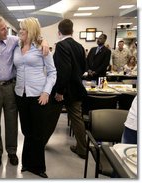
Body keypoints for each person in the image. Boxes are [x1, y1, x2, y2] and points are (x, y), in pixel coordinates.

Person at [0, 16, 49, 167]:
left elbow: (32, 35)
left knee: (12, 121)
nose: (7, 30)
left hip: (11, 87)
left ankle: (12, 152)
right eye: (3, 28)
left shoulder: (13, 41)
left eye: (6, 27)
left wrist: (43, 41)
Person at [13, 17, 57, 178]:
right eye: (20, 29)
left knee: (38, 132)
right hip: (20, 94)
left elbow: (52, 73)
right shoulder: (16, 46)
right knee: (26, 130)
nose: (20, 31)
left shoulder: (42, 48)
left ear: (31, 30)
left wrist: (46, 92)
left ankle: (38, 167)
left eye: (23, 29)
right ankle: (26, 163)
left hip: (38, 95)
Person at [52, 19, 87, 159]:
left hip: (64, 90)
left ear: (59, 32)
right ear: (72, 31)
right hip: (77, 88)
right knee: (77, 119)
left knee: (49, 117)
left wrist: (60, 91)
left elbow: (64, 71)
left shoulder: (60, 46)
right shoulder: (79, 46)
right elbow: (84, 68)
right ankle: (82, 149)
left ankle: (40, 144)